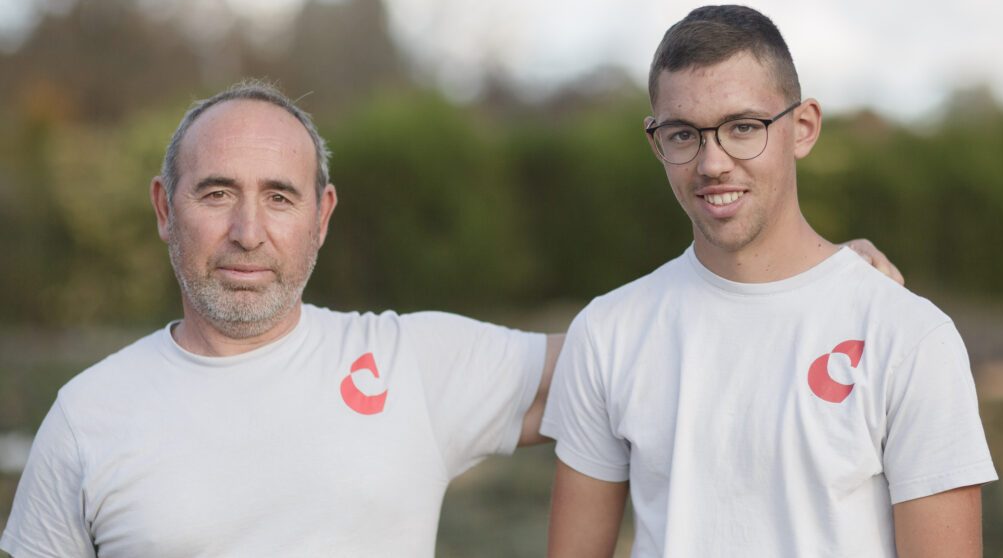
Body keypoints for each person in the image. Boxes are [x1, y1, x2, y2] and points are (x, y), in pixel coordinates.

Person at [1, 79, 898, 557]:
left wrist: (807, 287)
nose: (246, 231)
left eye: (280, 196)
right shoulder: (89, 415)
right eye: (216, 193)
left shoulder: (412, 363)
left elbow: (636, 359)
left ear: (322, 216)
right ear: (165, 207)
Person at [541, 5, 997, 558]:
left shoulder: (906, 335)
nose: (713, 164)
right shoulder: (606, 332)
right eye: (684, 134)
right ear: (655, 139)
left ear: (802, 128)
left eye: (743, 127)